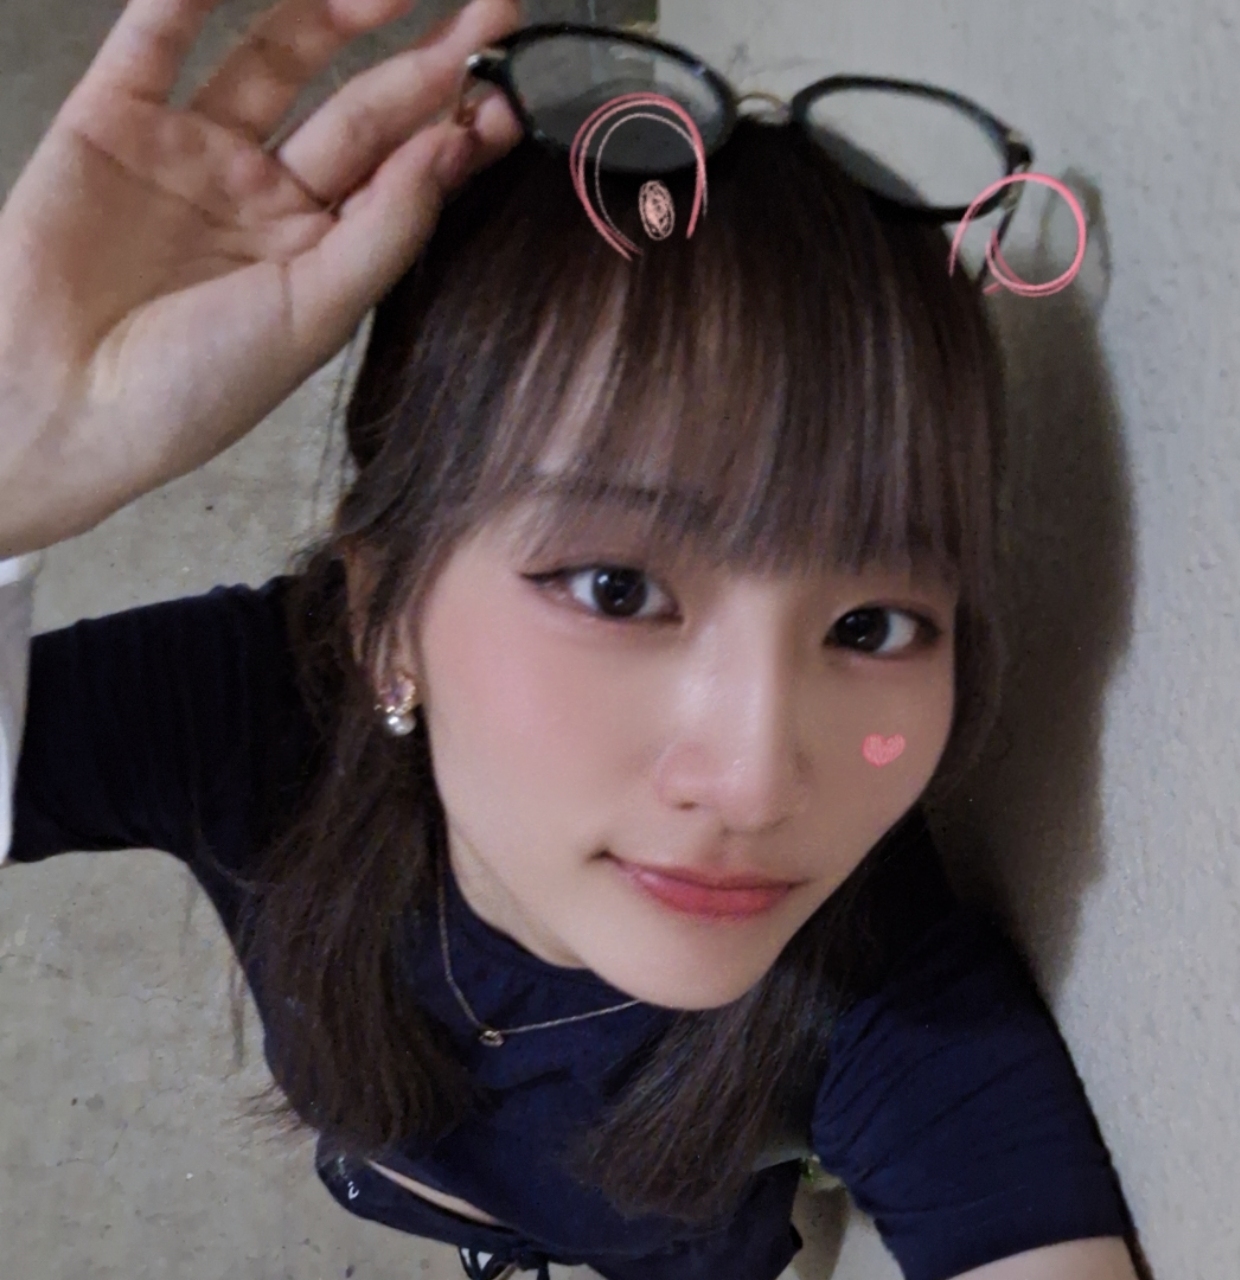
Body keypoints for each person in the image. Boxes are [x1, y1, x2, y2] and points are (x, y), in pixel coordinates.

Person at [0, 1, 1142, 1278]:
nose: (756, 780)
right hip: (395, 1176)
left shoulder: (891, 996)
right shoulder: (257, 713)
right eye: (615, 588)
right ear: (381, 615)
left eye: (870, 624)